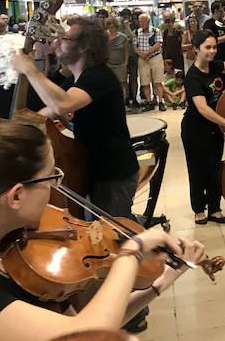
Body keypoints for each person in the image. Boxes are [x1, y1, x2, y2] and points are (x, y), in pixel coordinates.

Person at [0, 118, 206, 341]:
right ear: (16, 196)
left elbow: (90, 326)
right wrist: (130, 253)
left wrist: (161, 282)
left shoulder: (17, 246)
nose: (57, 188)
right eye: (51, 177)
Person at [11, 20, 140, 219]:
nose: (57, 42)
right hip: (93, 170)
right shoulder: (76, 78)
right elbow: (51, 109)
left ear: (85, 45)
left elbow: (63, 104)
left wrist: (30, 69)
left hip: (114, 173)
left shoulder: (99, 76)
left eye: (64, 38)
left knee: (114, 240)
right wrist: (17, 127)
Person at [181, 29, 225, 225]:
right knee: (197, 169)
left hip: (214, 128)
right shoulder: (192, 77)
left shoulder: (215, 66)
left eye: (214, 47)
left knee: (214, 168)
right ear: (196, 49)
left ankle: (215, 208)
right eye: (207, 47)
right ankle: (199, 210)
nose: (212, 51)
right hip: (195, 129)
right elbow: (202, 108)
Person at [133, 13, 165, 112]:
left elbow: (158, 44)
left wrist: (147, 52)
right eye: (140, 21)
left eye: (144, 21)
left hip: (155, 57)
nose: (142, 23)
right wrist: (141, 54)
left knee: (158, 81)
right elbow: (134, 46)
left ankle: (160, 102)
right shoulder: (136, 32)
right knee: (145, 82)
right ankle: (149, 102)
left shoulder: (156, 31)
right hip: (142, 60)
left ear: (148, 21)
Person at [204, 0, 225, 89]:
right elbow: (213, 41)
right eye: (221, 10)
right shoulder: (209, 24)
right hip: (217, 60)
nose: (224, 13)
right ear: (216, 11)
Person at [104, 17, 129, 109]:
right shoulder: (104, 36)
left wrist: (125, 63)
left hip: (120, 64)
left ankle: (122, 104)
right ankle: (110, 104)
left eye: (113, 27)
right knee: (108, 84)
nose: (111, 29)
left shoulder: (123, 37)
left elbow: (126, 51)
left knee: (122, 84)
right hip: (108, 64)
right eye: (109, 27)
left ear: (117, 27)